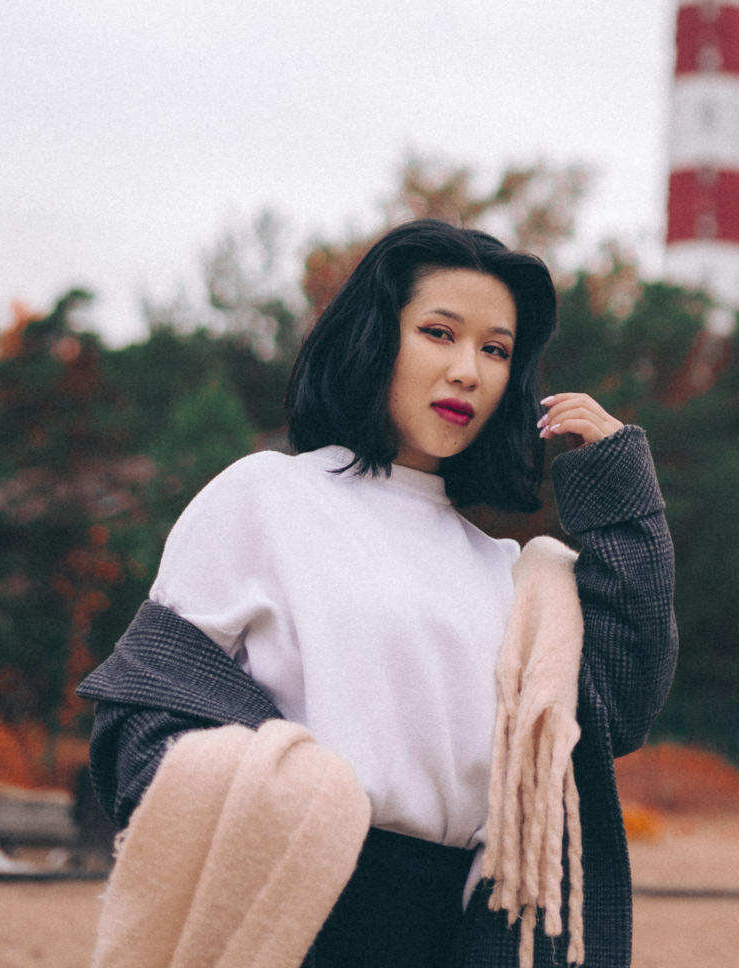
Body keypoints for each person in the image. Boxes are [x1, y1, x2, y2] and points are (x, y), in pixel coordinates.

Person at [79, 219, 677, 968]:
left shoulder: (505, 571)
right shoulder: (265, 497)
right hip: (285, 909)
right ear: (375, 339)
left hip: (460, 931)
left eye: (495, 349)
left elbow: (620, 706)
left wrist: (619, 493)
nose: (467, 371)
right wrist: (280, 798)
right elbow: (143, 706)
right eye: (438, 333)